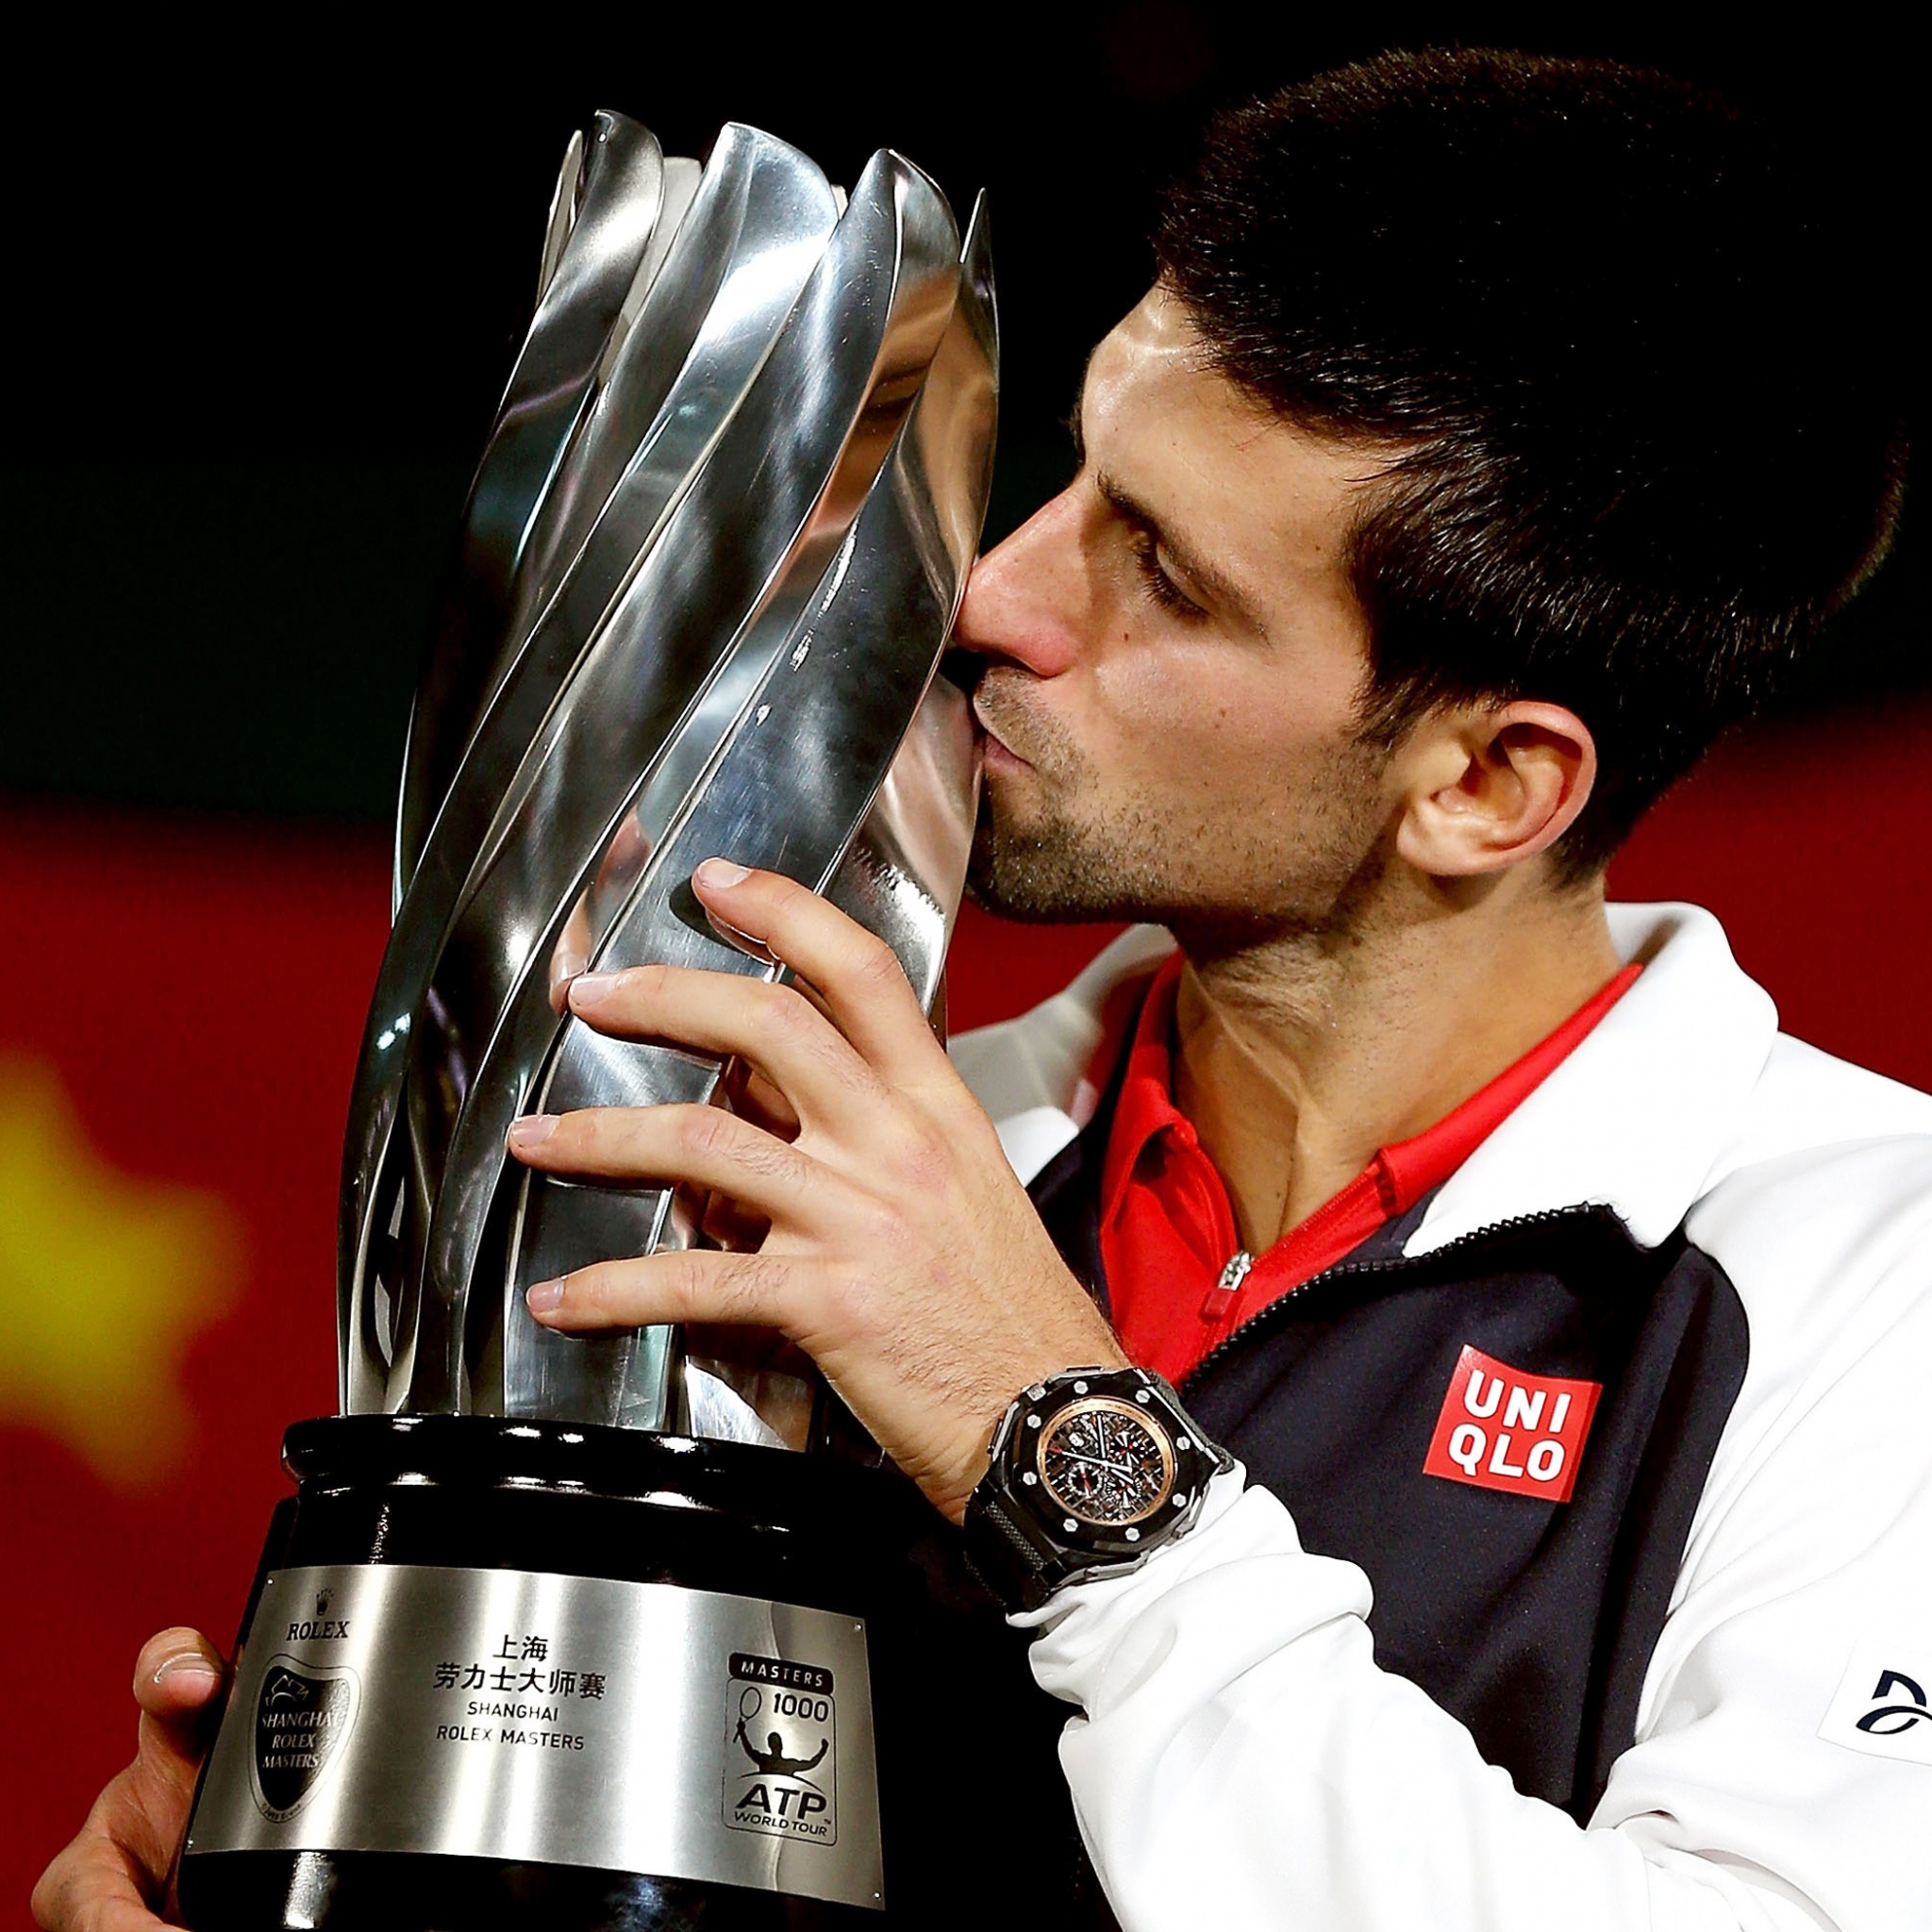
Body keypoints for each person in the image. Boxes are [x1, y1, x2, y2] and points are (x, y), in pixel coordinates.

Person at [35, 46, 1922, 1932]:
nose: (1000, 598)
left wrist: (1060, 1440)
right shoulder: (821, 1166)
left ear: (1486, 785)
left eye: (1162, 576)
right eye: (1082, 474)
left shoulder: (1860, 1284)